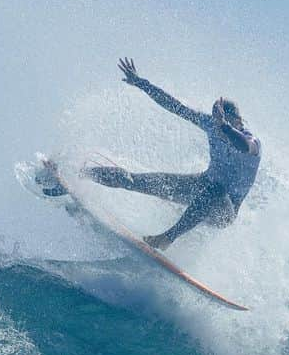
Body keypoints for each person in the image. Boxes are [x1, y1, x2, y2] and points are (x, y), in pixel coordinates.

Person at [87, 58, 262, 250]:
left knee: (215, 191)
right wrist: (141, 83)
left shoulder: (252, 143)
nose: (217, 128)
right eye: (215, 121)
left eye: (222, 122)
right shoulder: (212, 124)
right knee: (133, 180)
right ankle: (80, 173)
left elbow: (245, 146)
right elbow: (174, 106)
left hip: (224, 211)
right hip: (202, 185)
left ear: (237, 121)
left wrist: (224, 126)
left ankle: (166, 238)